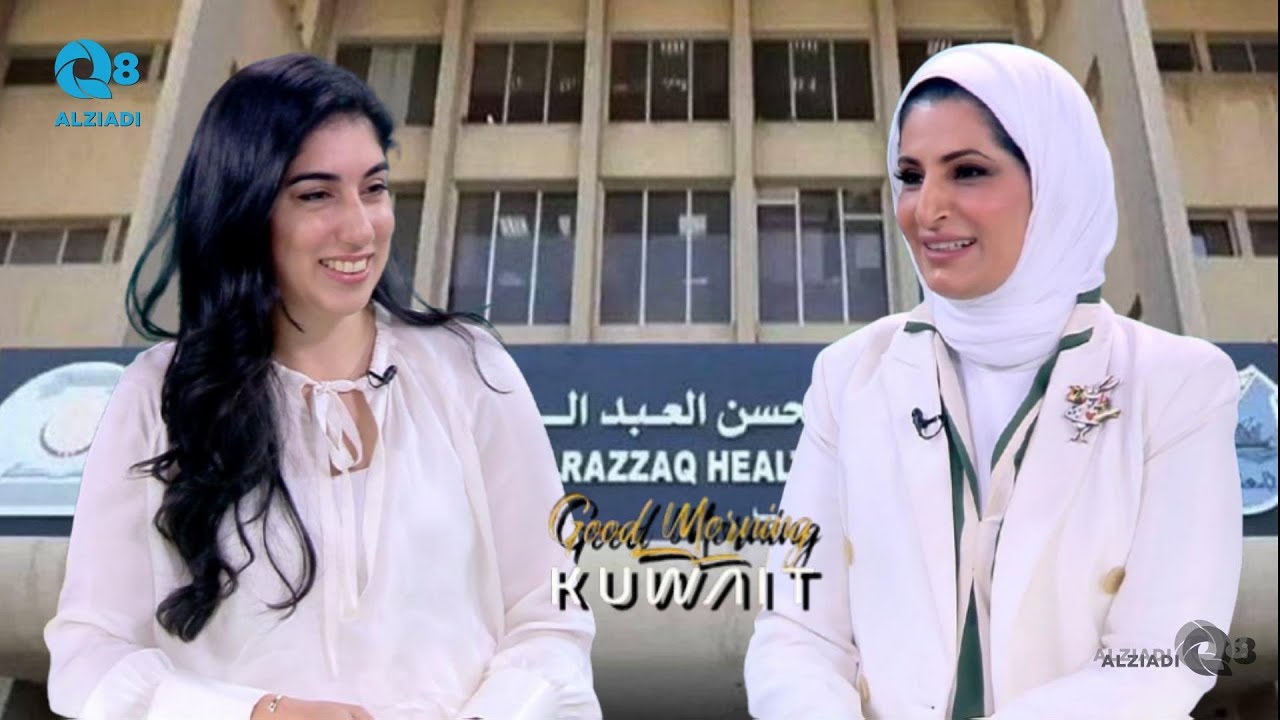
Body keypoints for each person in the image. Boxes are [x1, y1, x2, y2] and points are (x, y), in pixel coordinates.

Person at [44, 53, 601, 720]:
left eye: (374, 187)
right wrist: (261, 714)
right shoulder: (158, 395)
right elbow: (89, 657)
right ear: (244, 209)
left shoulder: (468, 369)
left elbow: (552, 618)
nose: (360, 228)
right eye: (316, 195)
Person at [743, 43, 1242, 719]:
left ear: (1056, 182)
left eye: (968, 172)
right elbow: (797, 632)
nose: (926, 208)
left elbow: (1170, 654)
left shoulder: (1175, 384)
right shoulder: (851, 376)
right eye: (910, 176)